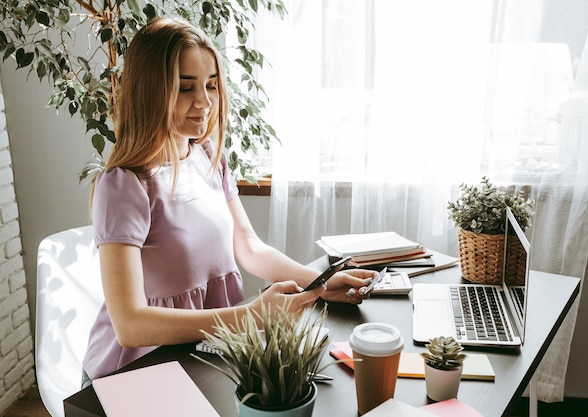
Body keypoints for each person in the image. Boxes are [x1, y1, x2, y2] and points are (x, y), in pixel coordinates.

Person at [82, 17, 377, 383]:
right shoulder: (124, 184)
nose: (204, 102)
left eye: (211, 85)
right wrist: (251, 315)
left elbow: (250, 248)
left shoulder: (207, 157)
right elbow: (129, 325)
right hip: (134, 370)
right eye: (186, 88)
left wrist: (319, 282)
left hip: (202, 354)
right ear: (150, 91)